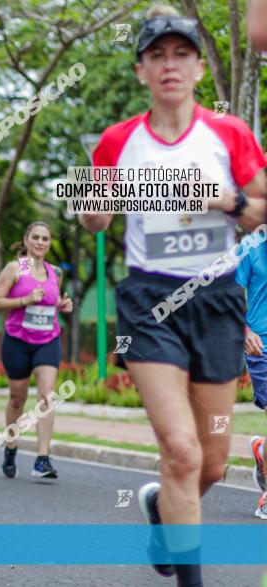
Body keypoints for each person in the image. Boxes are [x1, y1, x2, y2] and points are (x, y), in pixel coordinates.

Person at [82, 5, 267, 585]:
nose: (169, 65)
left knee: (210, 462)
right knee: (182, 451)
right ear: (141, 71)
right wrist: (96, 202)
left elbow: (261, 208)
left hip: (216, 300)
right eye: (156, 55)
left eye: (180, 54)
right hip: (148, 303)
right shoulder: (117, 141)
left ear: (195, 68)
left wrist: (227, 201)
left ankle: (163, 509)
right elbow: (94, 221)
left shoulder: (229, 134)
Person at [0, 221, 73, 479]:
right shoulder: (17, 267)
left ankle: (42, 459)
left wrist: (63, 305)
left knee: (47, 396)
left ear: (49, 243)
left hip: (48, 339)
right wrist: (24, 300)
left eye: (45, 239)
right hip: (17, 341)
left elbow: (53, 301)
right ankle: (11, 447)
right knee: (17, 399)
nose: (40, 242)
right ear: (26, 240)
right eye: (35, 237)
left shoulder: (54, 272)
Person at [235, 231, 267, 519]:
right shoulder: (251, 246)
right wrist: (243, 331)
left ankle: (261, 449)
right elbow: (227, 293)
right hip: (261, 345)